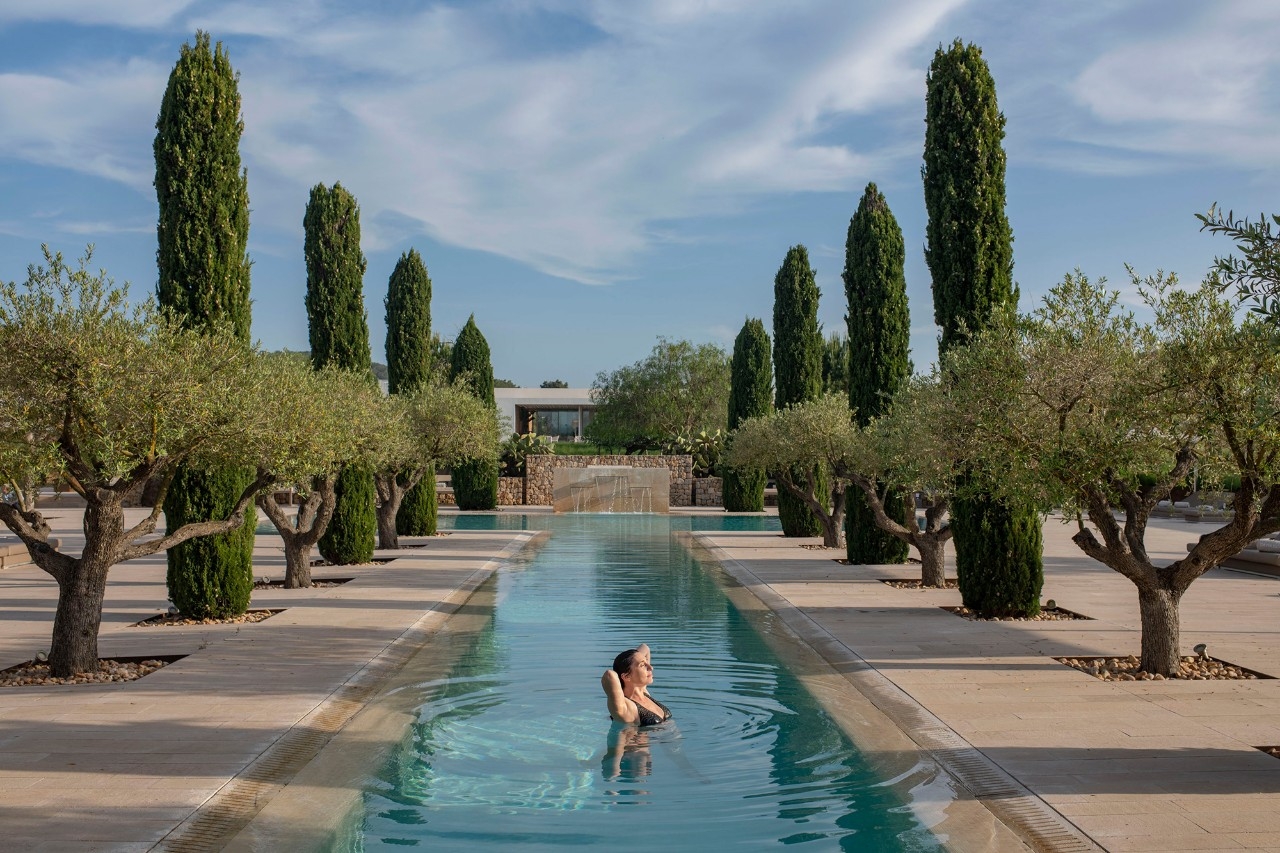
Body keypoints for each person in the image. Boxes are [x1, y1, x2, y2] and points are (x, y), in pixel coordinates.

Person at [601, 642, 672, 726]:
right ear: (626, 676)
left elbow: (645, 647)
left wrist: (636, 658)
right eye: (642, 665)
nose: (650, 667)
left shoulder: (644, 692)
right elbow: (609, 675)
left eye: (647, 662)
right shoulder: (626, 708)